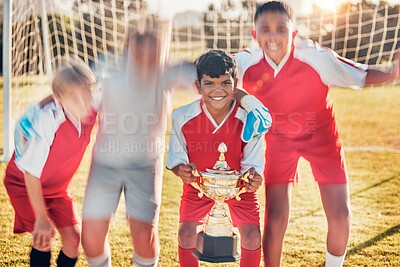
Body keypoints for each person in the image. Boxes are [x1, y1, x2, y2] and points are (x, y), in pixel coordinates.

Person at [234, 1, 400, 267]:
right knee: (275, 217)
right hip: (279, 141)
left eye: (281, 29)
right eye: (265, 29)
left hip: (321, 137)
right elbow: (216, 71)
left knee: (341, 215)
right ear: (255, 35)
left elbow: (360, 74)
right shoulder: (246, 62)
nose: (273, 36)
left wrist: (393, 71)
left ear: (294, 33)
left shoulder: (315, 57)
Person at [166, 49, 265, 267]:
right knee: (186, 233)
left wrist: (253, 178)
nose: (217, 90)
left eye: (225, 83)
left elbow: (253, 166)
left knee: (252, 236)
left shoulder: (249, 119)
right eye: (209, 83)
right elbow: (176, 161)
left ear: (235, 83)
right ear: (198, 86)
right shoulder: (182, 116)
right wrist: (181, 170)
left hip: (238, 187)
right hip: (199, 186)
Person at [3, 57, 97, 267]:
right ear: (59, 98)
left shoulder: (92, 108)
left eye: (86, 94)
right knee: (44, 237)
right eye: (73, 97)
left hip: (57, 189)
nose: (83, 103)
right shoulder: (48, 119)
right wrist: (41, 218)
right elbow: (31, 174)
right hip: (24, 184)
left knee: (73, 241)